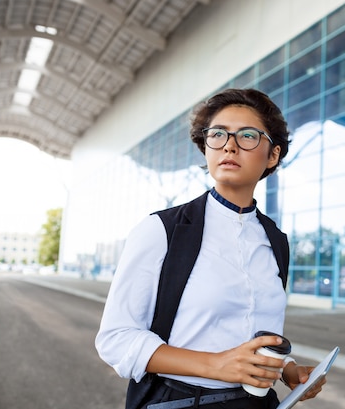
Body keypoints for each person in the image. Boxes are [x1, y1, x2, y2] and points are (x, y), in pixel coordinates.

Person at [96, 88, 326, 409]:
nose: (229, 145)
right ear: (206, 147)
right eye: (218, 134)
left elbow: (249, 330)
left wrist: (287, 370)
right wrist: (215, 364)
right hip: (181, 401)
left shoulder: (275, 239)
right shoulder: (162, 230)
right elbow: (116, 339)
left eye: (247, 135)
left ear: (273, 155)